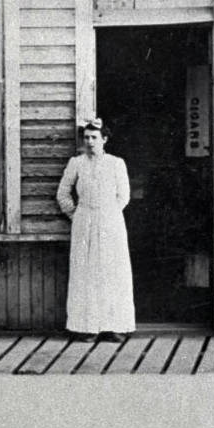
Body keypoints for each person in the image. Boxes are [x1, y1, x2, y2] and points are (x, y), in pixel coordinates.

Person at [55, 118, 135, 342]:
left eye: (94, 138)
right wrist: (75, 214)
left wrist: (107, 214)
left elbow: (124, 196)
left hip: (111, 222)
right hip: (84, 221)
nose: (89, 142)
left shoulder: (116, 163)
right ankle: (88, 327)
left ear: (104, 139)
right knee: (85, 273)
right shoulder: (76, 163)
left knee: (112, 272)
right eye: (86, 138)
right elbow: (62, 193)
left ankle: (114, 326)